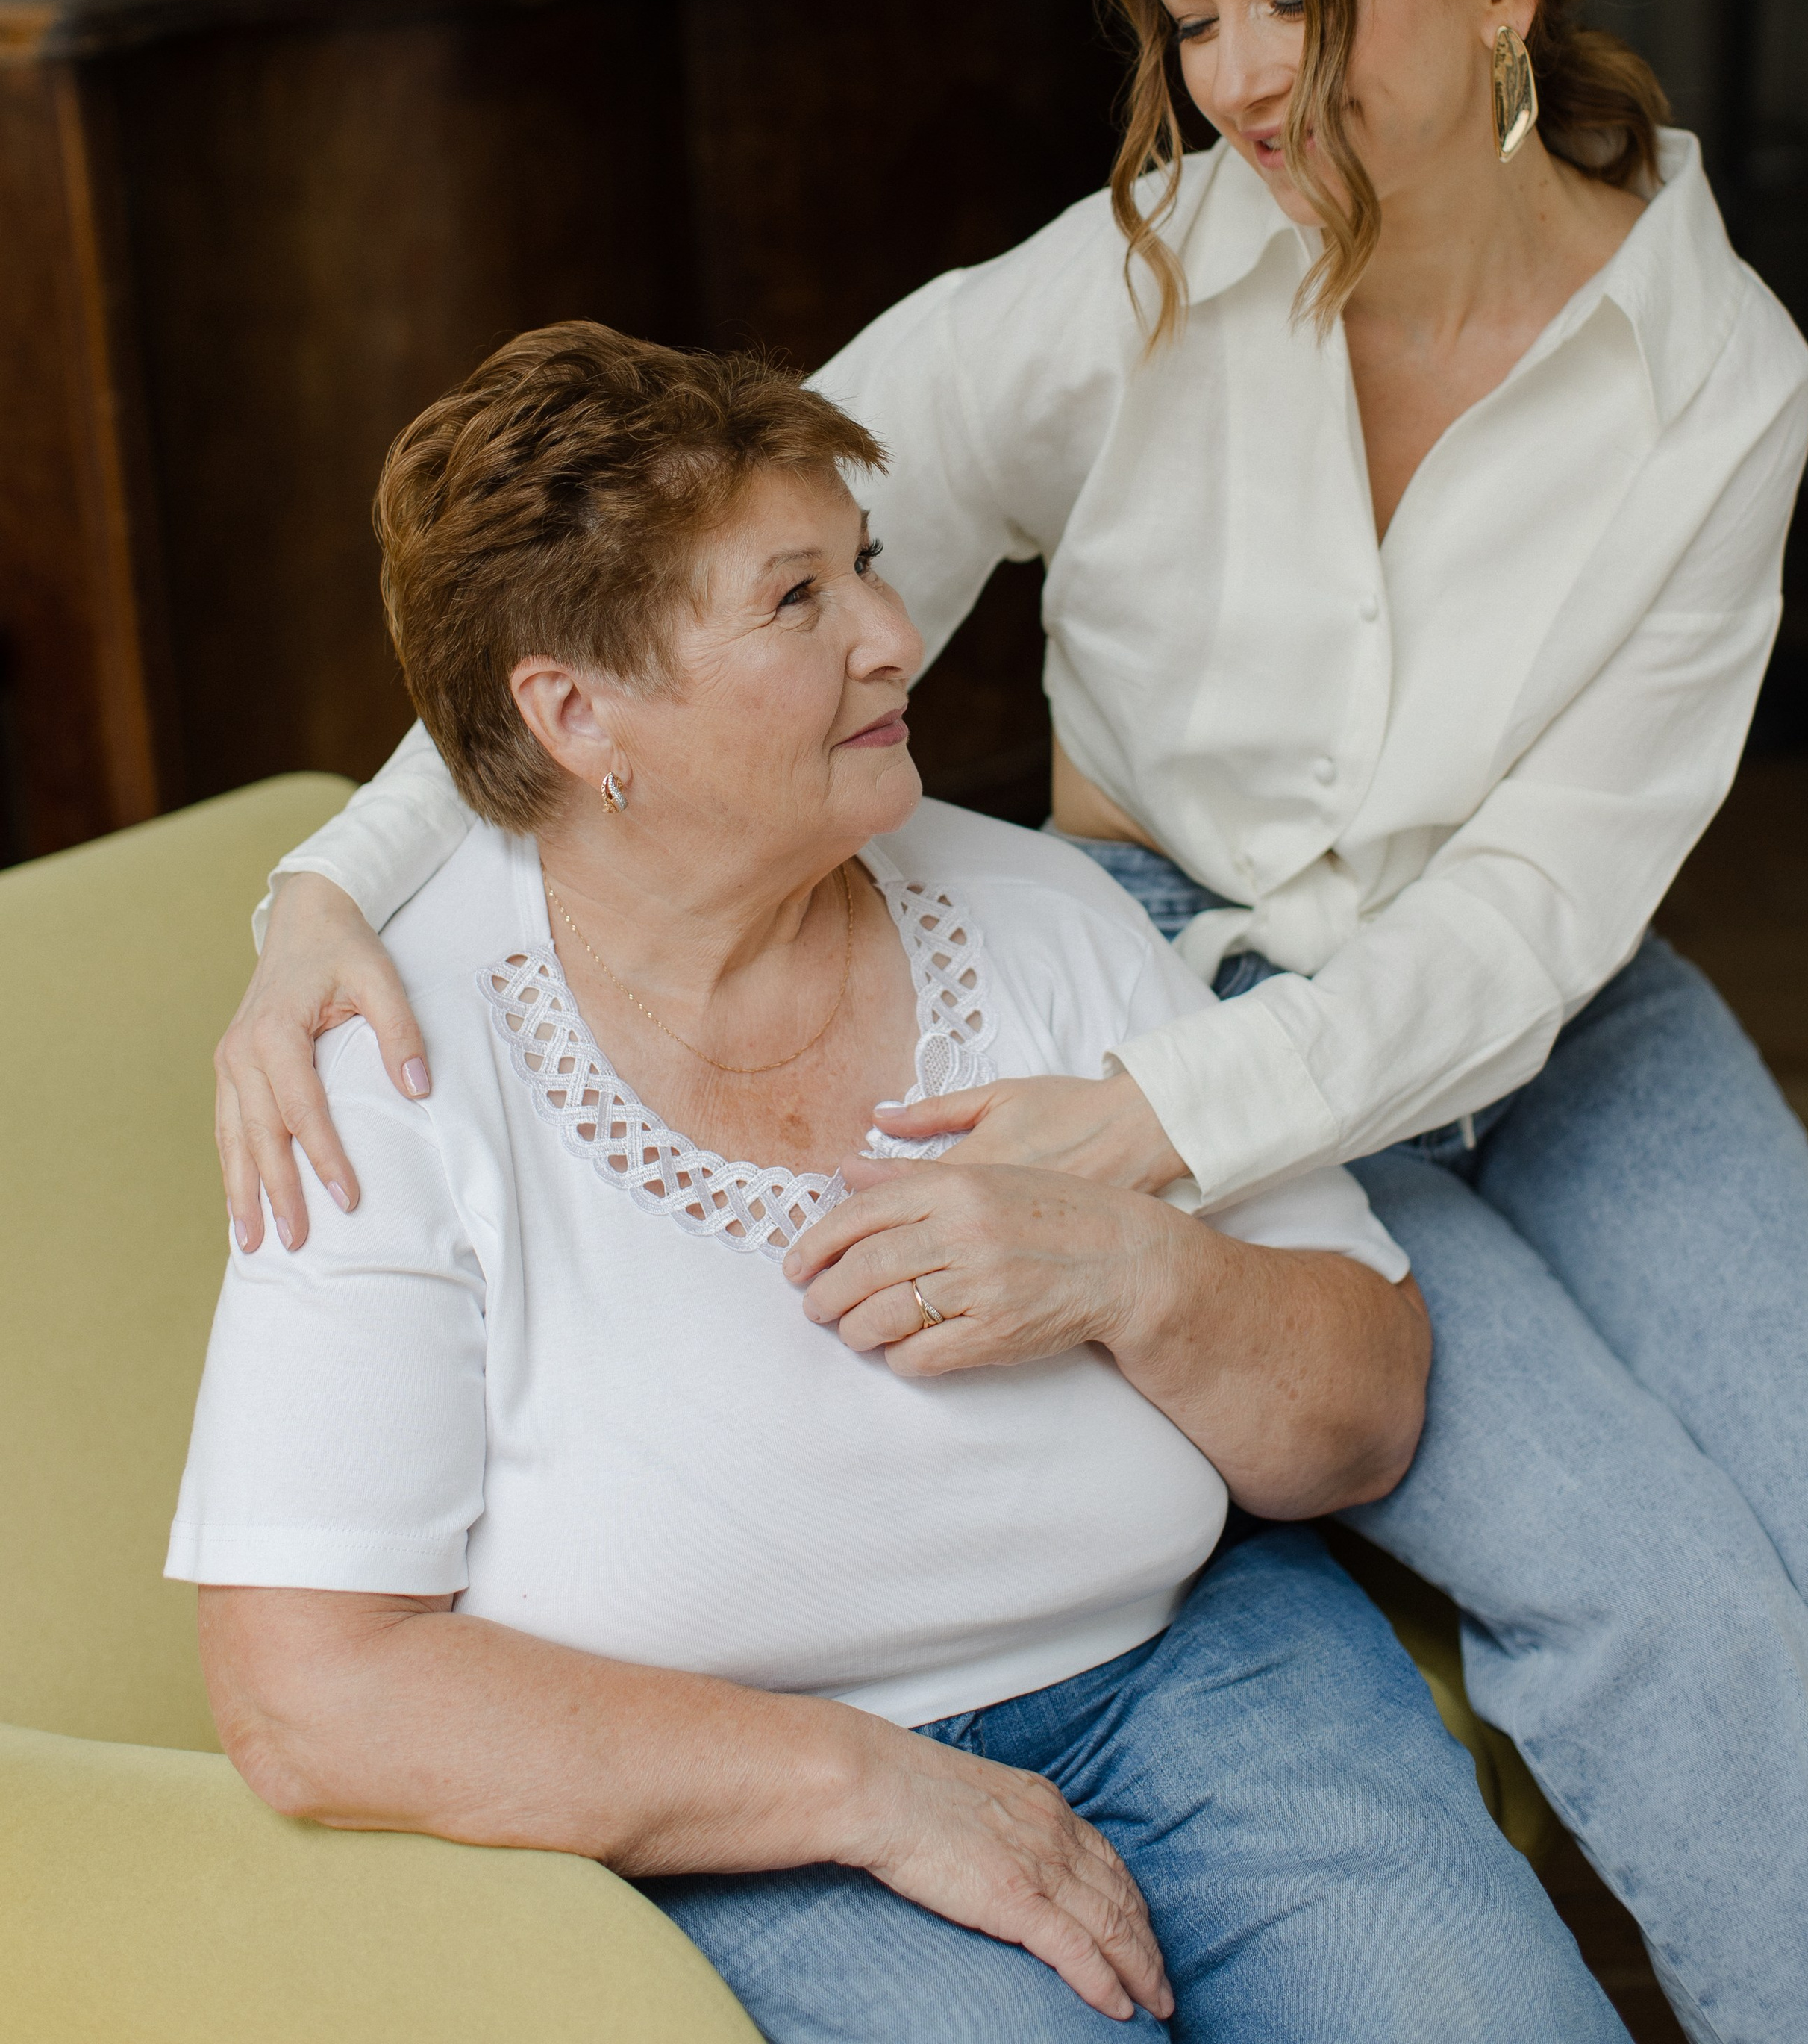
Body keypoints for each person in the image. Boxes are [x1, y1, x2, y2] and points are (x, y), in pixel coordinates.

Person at [216, 0, 1808, 2038]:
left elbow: (1536, 915)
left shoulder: (1723, 372)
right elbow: (665, 586)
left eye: (1297, 3)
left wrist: (1150, 1141)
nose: (1232, 81)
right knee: (1661, 1605)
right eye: (1195, 13)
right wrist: (335, 876)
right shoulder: (1137, 272)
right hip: (1183, 985)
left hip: (1541, 1010)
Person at [170, 325, 1621, 2044]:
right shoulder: (384, 1059)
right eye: (797, 601)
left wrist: (1132, 1274)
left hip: (1189, 1666)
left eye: (863, 565)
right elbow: (313, 1698)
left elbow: (1363, 1420)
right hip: (733, 1798)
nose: (895, 634)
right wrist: (860, 1786)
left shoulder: (1049, 920)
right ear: (575, 712)